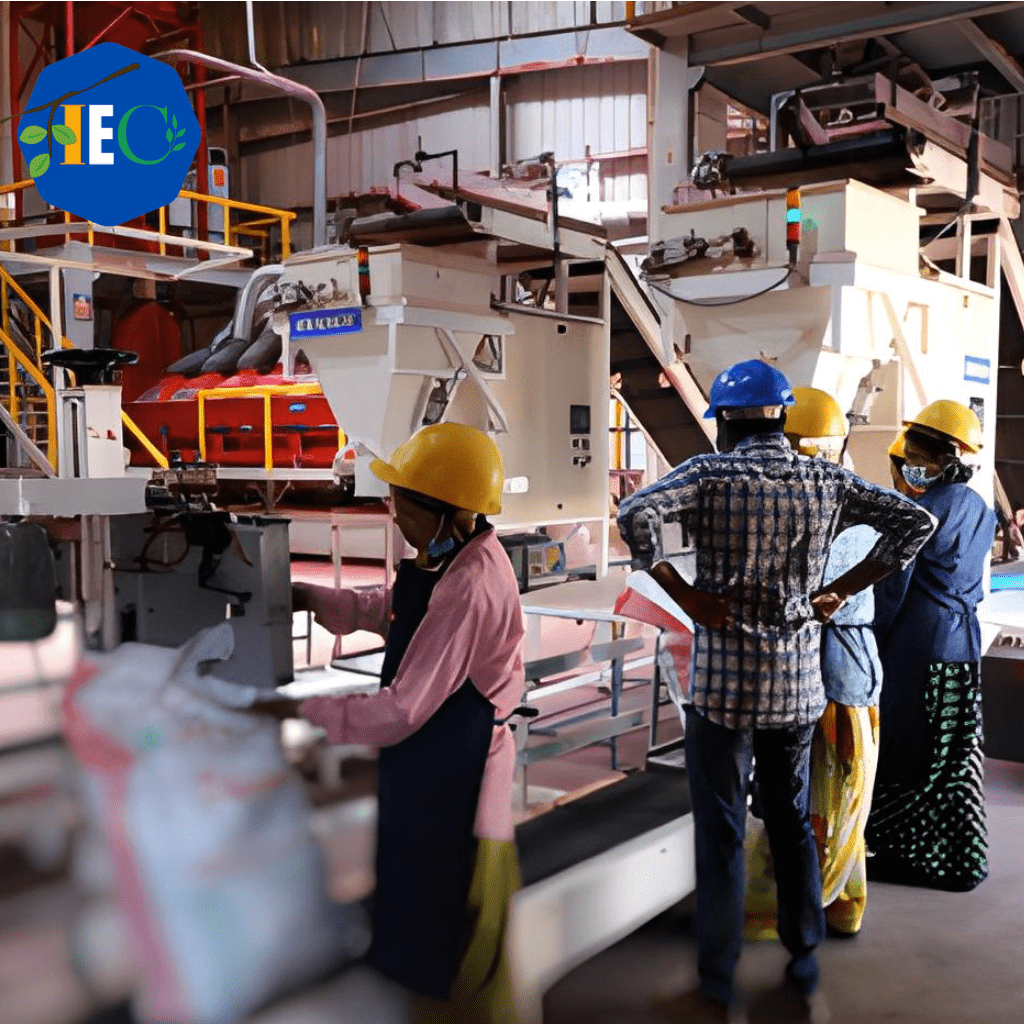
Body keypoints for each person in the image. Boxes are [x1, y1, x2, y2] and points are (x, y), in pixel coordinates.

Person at [616, 361, 934, 1024]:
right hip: (794, 689)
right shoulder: (825, 480)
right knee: (791, 825)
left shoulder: (709, 475)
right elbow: (913, 525)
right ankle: (803, 963)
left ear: (727, 421)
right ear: (782, 417)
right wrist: (844, 588)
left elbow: (635, 513)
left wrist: (687, 595)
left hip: (722, 691)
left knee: (723, 833)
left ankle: (716, 984)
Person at [260, 422, 525, 1024]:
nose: (391, 507)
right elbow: (396, 610)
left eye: (398, 498)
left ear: (441, 509)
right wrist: (311, 596)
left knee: (460, 947)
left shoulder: (470, 585)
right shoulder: (450, 555)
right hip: (431, 775)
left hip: (462, 788)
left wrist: (303, 712)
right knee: (425, 930)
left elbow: (403, 710)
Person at [744, 388, 896, 940]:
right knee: (835, 804)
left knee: (818, 802)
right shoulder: (845, 498)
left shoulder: (837, 510)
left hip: (834, 680)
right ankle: (838, 904)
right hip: (845, 674)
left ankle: (792, 908)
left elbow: (802, 592)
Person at [867, 401, 997, 892]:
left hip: (920, 639)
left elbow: (892, 587)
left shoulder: (921, 510)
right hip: (961, 641)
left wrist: (871, 637)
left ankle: (906, 856)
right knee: (953, 747)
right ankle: (961, 859)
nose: (910, 465)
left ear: (944, 458)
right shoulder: (980, 508)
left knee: (909, 746)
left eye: (917, 455)